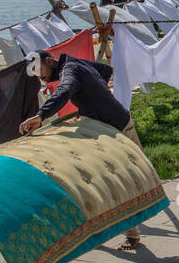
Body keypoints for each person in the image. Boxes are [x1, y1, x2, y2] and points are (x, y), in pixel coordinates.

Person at [18, 50, 141, 248]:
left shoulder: (70, 70)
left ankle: (132, 234)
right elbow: (105, 71)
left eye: (42, 74)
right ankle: (123, 225)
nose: (42, 79)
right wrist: (95, 99)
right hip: (117, 121)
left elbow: (65, 90)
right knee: (129, 176)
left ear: (50, 61)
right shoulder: (76, 63)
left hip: (115, 130)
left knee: (117, 181)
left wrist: (41, 116)